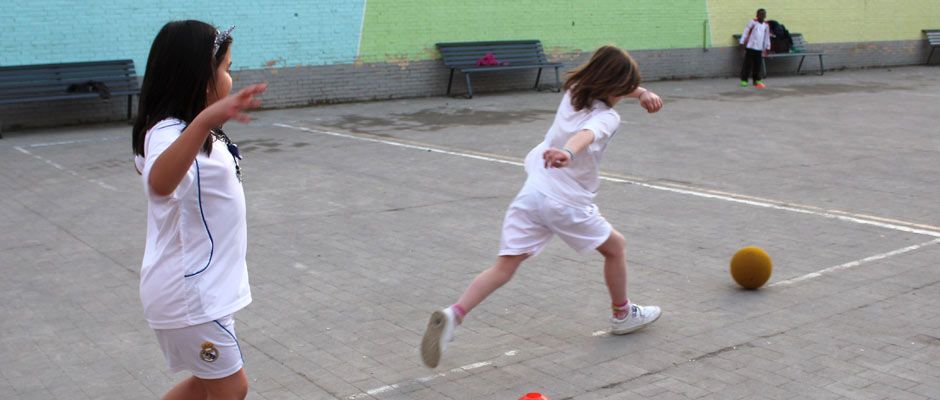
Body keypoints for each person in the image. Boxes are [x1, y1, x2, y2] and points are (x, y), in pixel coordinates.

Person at [420, 45, 664, 369]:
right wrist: (569, 153)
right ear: (615, 86)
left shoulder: (573, 90)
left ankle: (455, 314)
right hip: (566, 202)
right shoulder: (609, 117)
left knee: (504, 267)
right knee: (616, 247)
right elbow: (587, 134)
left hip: (533, 193)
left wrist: (642, 92)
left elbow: (599, 102)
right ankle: (623, 314)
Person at [132, 20, 267, 399]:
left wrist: (204, 121)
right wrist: (206, 118)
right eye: (226, 68)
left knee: (206, 386)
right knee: (231, 388)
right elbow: (160, 182)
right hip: (190, 295)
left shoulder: (186, 129)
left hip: (205, 291)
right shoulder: (168, 131)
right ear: (200, 77)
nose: (231, 78)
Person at [739, 8, 772, 88]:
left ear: (765, 16)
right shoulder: (752, 22)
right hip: (750, 47)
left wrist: (767, 47)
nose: (761, 16)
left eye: (763, 14)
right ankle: (744, 80)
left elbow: (767, 37)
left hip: (759, 49)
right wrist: (742, 41)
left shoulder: (766, 25)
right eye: (760, 14)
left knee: (758, 65)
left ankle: (757, 80)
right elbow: (746, 32)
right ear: (757, 15)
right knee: (747, 64)